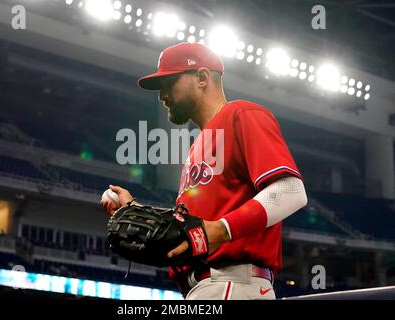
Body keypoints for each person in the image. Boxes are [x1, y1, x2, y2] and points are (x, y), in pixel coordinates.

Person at [102, 42, 308, 300]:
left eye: (169, 83)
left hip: (230, 283)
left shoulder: (242, 114)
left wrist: (219, 230)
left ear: (201, 77)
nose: (161, 95)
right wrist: (136, 209)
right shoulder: (197, 146)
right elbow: (194, 228)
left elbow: (290, 190)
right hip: (205, 287)